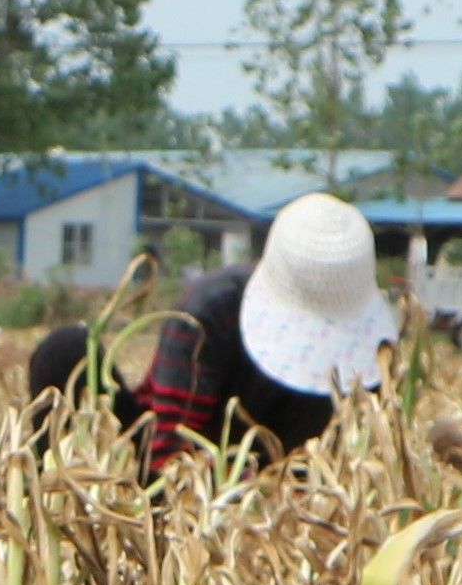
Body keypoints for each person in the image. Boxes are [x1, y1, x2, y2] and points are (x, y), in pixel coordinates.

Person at [24, 192, 400, 476]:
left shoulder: (371, 351)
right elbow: (170, 446)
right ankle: (41, 505)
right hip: (178, 462)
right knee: (66, 352)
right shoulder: (210, 311)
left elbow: (359, 455)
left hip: (290, 475)